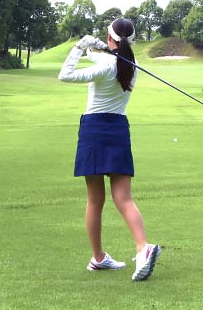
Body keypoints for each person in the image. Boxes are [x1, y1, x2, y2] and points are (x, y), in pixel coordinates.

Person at [58, 17, 161, 281]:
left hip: (93, 129)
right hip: (118, 128)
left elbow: (65, 75)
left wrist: (80, 47)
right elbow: (107, 59)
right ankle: (142, 248)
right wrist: (97, 48)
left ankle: (99, 256)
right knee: (124, 198)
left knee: (95, 200)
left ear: (109, 37)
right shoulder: (131, 66)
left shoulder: (106, 65)